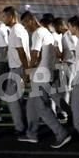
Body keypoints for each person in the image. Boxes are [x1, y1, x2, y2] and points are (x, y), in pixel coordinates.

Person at [19, 11, 71, 147]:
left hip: (40, 76)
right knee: (31, 105)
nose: (25, 28)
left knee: (42, 107)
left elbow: (35, 56)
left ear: (30, 21)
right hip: (47, 74)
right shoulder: (47, 33)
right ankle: (31, 134)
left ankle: (61, 133)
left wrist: (26, 75)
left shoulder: (37, 33)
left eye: (25, 25)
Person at [1, 6, 29, 135]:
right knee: (17, 98)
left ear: (12, 16)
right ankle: (23, 123)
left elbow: (21, 52)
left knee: (12, 98)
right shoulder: (19, 29)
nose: (3, 19)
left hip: (18, 68)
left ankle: (20, 127)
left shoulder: (16, 31)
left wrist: (26, 71)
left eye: (5, 16)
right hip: (18, 68)